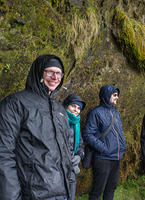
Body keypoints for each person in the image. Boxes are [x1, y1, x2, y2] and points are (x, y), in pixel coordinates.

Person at [0, 54, 72, 200]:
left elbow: (66, 152)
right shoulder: (15, 103)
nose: (55, 77)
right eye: (50, 72)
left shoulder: (60, 110)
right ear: (39, 72)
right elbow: (3, 154)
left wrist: (71, 187)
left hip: (63, 193)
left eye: (58, 73)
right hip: (32, 194)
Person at [82, 84, 126, 200]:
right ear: (106, 95)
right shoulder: (96, 112)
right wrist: (104, 149)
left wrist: (122, 147)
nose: (117, 97)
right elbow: (87, 134)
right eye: (114, 95)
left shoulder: (116, 113)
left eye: (117, 95)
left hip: (116, 157)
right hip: (103, 159)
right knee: (97, 190)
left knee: (111, 189)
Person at [63, 94, 86, 200]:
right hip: (59, 169)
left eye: (78, 108)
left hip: (72, 169)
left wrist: (79, 156)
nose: (76, 110)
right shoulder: (58, 120)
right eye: (73, 106)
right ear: (66, 106)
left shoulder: (77, 124)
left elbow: (80, 145)